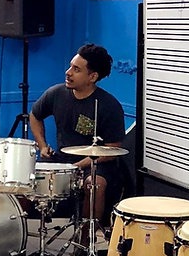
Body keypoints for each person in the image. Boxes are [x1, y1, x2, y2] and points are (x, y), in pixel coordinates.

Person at [29, 43, 125, 228]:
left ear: (92, 77)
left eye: (76, 69)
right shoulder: (56, 93)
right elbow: (35, 115)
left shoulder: (109, 106)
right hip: (62, 159)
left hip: (95, 165)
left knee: (94, 184)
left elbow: (112, 150)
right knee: (25, 177)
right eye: (70, 66)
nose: (68, 72)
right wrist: (42, 145)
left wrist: (78, 166)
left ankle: (86, 239)